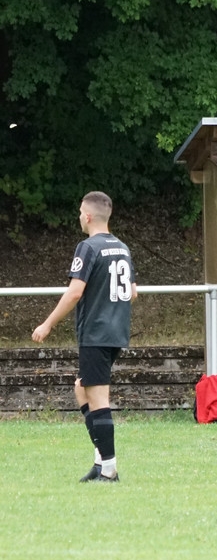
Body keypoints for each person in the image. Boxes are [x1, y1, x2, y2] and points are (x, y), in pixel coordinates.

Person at [32, 191, 135, 483]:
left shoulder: (88, 247)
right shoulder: (122, 247)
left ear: (88, 216)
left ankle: (109, 470)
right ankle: (100, 461)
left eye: (80, 212)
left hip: (96, 333)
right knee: (82, 388)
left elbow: (75, 292)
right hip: (116, 332)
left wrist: (47, 324)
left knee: (98, 398)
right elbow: (132, 292)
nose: (79, 216)